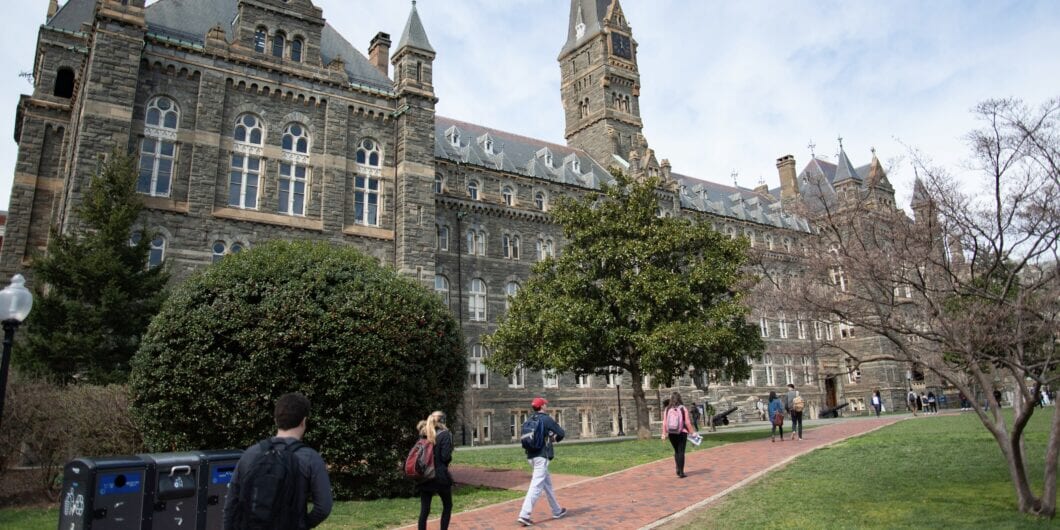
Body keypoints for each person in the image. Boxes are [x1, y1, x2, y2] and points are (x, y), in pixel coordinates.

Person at [223, 392, 332, 530]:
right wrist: (302, 524)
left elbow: (231, 503)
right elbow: (323, 507)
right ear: (303, 422)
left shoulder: (250, 454)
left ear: (275, 420)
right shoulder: (310, 458)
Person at [518, 397, 567, 527]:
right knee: (535, 487)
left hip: (531, 456)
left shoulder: (529, 419)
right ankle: (524, 515)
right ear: (542, 407)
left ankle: (557, 510)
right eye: (545, 404)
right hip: (541, 457)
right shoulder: (546, 419)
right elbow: (561, 433)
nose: (546, 405)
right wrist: (555, 439)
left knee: (547, 485)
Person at [416, 411, 454, 530]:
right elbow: (445, 457)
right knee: (447, 506)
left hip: (425, 476)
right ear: (443, 421)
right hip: (440, 476)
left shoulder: (423, 433)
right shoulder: (445, 434)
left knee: (425, 510)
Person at [661, 392, 696, 478]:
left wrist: (664, 433)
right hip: (681, 432)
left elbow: (664, 423)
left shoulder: (667, 409)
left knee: (676, 451)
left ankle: (677, 467)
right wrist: (693, 433)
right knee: (681, 451)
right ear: (680, 398)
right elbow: (687, 422)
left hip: (671, 433)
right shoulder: (683, 409)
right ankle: (681, 471)